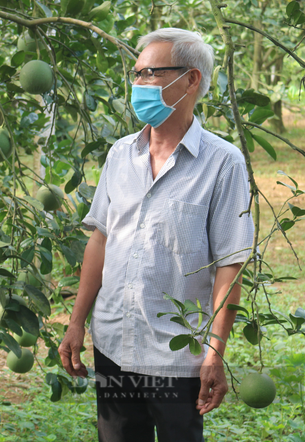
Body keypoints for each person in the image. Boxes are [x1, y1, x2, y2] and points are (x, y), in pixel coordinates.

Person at [58, 28, 254, 442]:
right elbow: (101, 239)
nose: (138, 85)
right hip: (114, 341)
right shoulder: (120, 154)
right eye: (136, 75)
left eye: (151, 73)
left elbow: (229, 266)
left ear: (191, 79)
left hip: (177, 355)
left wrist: (215, 352)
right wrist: (77, 322)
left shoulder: (223, 164)